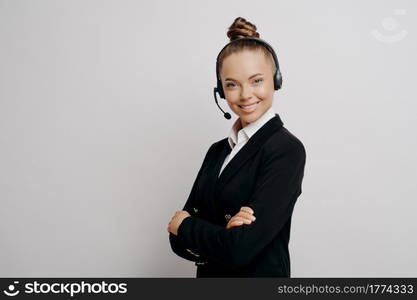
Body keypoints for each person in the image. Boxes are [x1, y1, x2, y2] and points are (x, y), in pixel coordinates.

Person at [167, 17, 306, 277]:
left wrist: (187, 227)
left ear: (275, 80)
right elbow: (176, 243)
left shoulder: (287, 150)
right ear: (221, 90)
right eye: (232, 84)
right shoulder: (216, 151)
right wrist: (220, 232)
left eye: (256, 81)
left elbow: (239, 248)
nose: (245, 95)